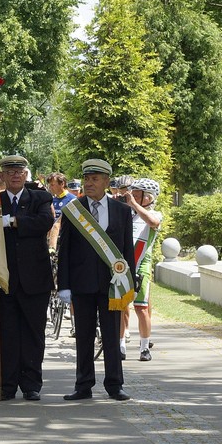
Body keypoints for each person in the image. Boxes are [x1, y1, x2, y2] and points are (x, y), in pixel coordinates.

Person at [57, 158, 135, 401]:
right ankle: (83, 385)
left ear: (106, 182)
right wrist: (64, 285)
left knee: (112, 335)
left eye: (95, 179)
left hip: (112, 284)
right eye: (87, 179)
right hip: (82, 283)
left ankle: (115, 384)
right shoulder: (74, 210)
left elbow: (126, 250)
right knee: (84, 336)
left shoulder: (122, 211)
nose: (89, 183)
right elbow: (65, 249)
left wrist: (129, 283)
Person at [0, 155, 55, 400]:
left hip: (34, 279)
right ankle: (7, 386)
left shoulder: (40, 197)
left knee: (33, 334)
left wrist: (15, 221)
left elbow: (45, 221)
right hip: (3, 277)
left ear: (26, 175)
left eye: (20, 171)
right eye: (10, 171)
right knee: (6, 334)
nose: (16, 175)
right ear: (2, 176)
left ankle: (31, 385)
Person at [120, 178, 163, 362]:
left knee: (141, 308)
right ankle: (120, 344)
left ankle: (145, 347)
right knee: (121, 306)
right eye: (133, 193)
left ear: (149, 197)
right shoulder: (126, 213)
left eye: (138, 194)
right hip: (123, 266)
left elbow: (152, 222)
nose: (134, 196)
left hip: (141, 266)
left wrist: (135, 205)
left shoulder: (156, 213)